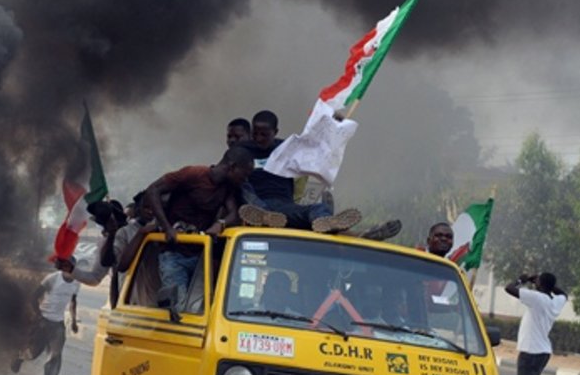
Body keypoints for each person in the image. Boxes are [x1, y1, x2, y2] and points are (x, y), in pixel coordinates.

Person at [237, 110, 400, 240]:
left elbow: (317, 147)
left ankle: (334, 224)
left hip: (283, 210)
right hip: (256, 206)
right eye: (255, 134)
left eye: (264, 135)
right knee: (242, 184)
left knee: (317, 209)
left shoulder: (287, 147)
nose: (258, 138)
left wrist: (334, 125)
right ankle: (263, 214)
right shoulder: (242, 151)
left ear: (275, 132)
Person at [145, 146, 253, 321]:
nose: (245, 179)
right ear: (232, 167)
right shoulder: (192, 174)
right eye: (244, 174)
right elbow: (153, 191)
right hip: (174, 252)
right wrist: (167, 227)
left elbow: (233, 213)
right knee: (177, 307)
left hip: (201, 255)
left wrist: (220, 224)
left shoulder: (227, 188)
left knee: (198, 310)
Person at [505, 272, 568, 375]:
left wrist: (522, 279)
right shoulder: (554, 301)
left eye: (538, 280)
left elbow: (509, 288)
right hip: (542, 352)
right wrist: (545, 284)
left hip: (530, 351)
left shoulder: (537, 298)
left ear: (540, 285)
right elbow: (563, 294)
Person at [11, 269, 80, 375]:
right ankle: (20, 356)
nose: (70, 272)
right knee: (33, 354)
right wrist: (38, 315)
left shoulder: (76, 283)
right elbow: (34, 296)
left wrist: (74, 321)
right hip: (43, 321)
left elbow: (73, 302)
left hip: (58, 324)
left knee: (55, 357)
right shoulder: (53, 278)